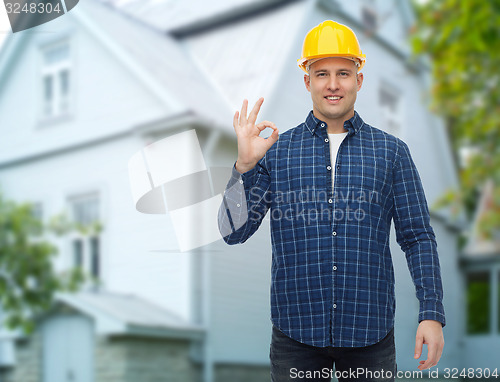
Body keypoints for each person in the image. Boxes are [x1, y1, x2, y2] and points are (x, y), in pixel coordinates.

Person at [218, 20, 445, 382]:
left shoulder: (392, 152)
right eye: (321, 73)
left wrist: (431, 313)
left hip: (371, 336)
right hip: (295, 336)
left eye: (344, 72)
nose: (333, 84)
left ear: (359, 79)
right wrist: (244, 166)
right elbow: (233, 232)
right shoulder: (278, 152)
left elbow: (417, 237)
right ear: (307, 81)